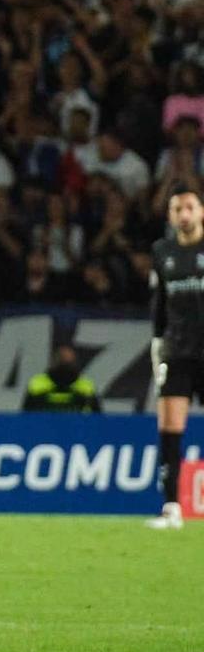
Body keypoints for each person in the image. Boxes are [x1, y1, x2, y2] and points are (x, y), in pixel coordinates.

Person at [147, 188, 203, 528]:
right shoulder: (162, 252)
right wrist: (157, 343)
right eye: (177, 208)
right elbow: (159, 303)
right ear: (170, 215)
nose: (184, 213)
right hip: (177, 350)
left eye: (190, 207)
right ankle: (171, 507)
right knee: (169, 427)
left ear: (201, 212)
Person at [23, 346, 99, 412]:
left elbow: (99, 420)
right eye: (62, 362)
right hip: (43, 427)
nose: (65, 369)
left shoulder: (87, 387)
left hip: (78, 428)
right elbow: (25, 417)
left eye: (68, 364)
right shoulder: (36, 384)